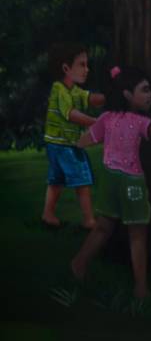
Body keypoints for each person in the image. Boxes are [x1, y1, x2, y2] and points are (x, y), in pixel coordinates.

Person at [72, 66, 151, 298]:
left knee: (105, 227)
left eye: (149, 90)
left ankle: (80, 265)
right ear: (126, 94)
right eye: (144, 90)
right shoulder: (137, 122)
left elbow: (84, 141)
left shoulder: (108, 119)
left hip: (109, 180)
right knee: (136, 234)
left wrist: (74, 145)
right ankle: (140, 287)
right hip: (131, 183)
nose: (149, 94)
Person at [42, 42, 105, 229]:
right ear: (66, 68)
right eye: (82, 65)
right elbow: (70, 114)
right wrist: (96, 123)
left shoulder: (74, 90)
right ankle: (89, 220)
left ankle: (47, 214)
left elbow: (90, 98)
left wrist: (109, 95)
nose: (87, 69)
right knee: (82, 178)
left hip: (56, 144)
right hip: (64, 144)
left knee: (57, 180)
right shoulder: (59, 89)